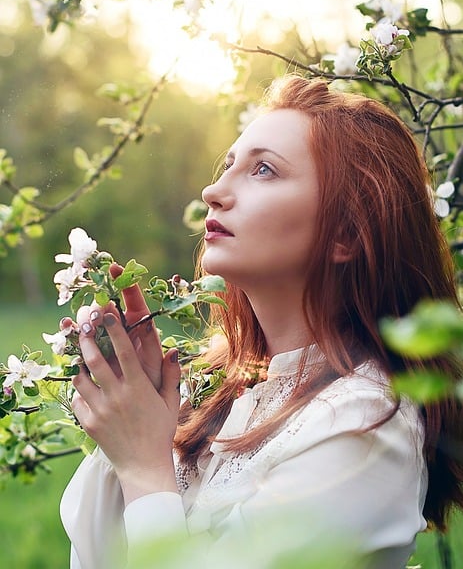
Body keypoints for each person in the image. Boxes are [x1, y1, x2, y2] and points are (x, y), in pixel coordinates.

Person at [60, 76, 463, 569]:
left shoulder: (365, 427)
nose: (213, 191)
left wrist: (144, 464)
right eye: (228, 166)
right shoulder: (215, 395)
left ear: (346, 233)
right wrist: (136, 419)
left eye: (264, 170)